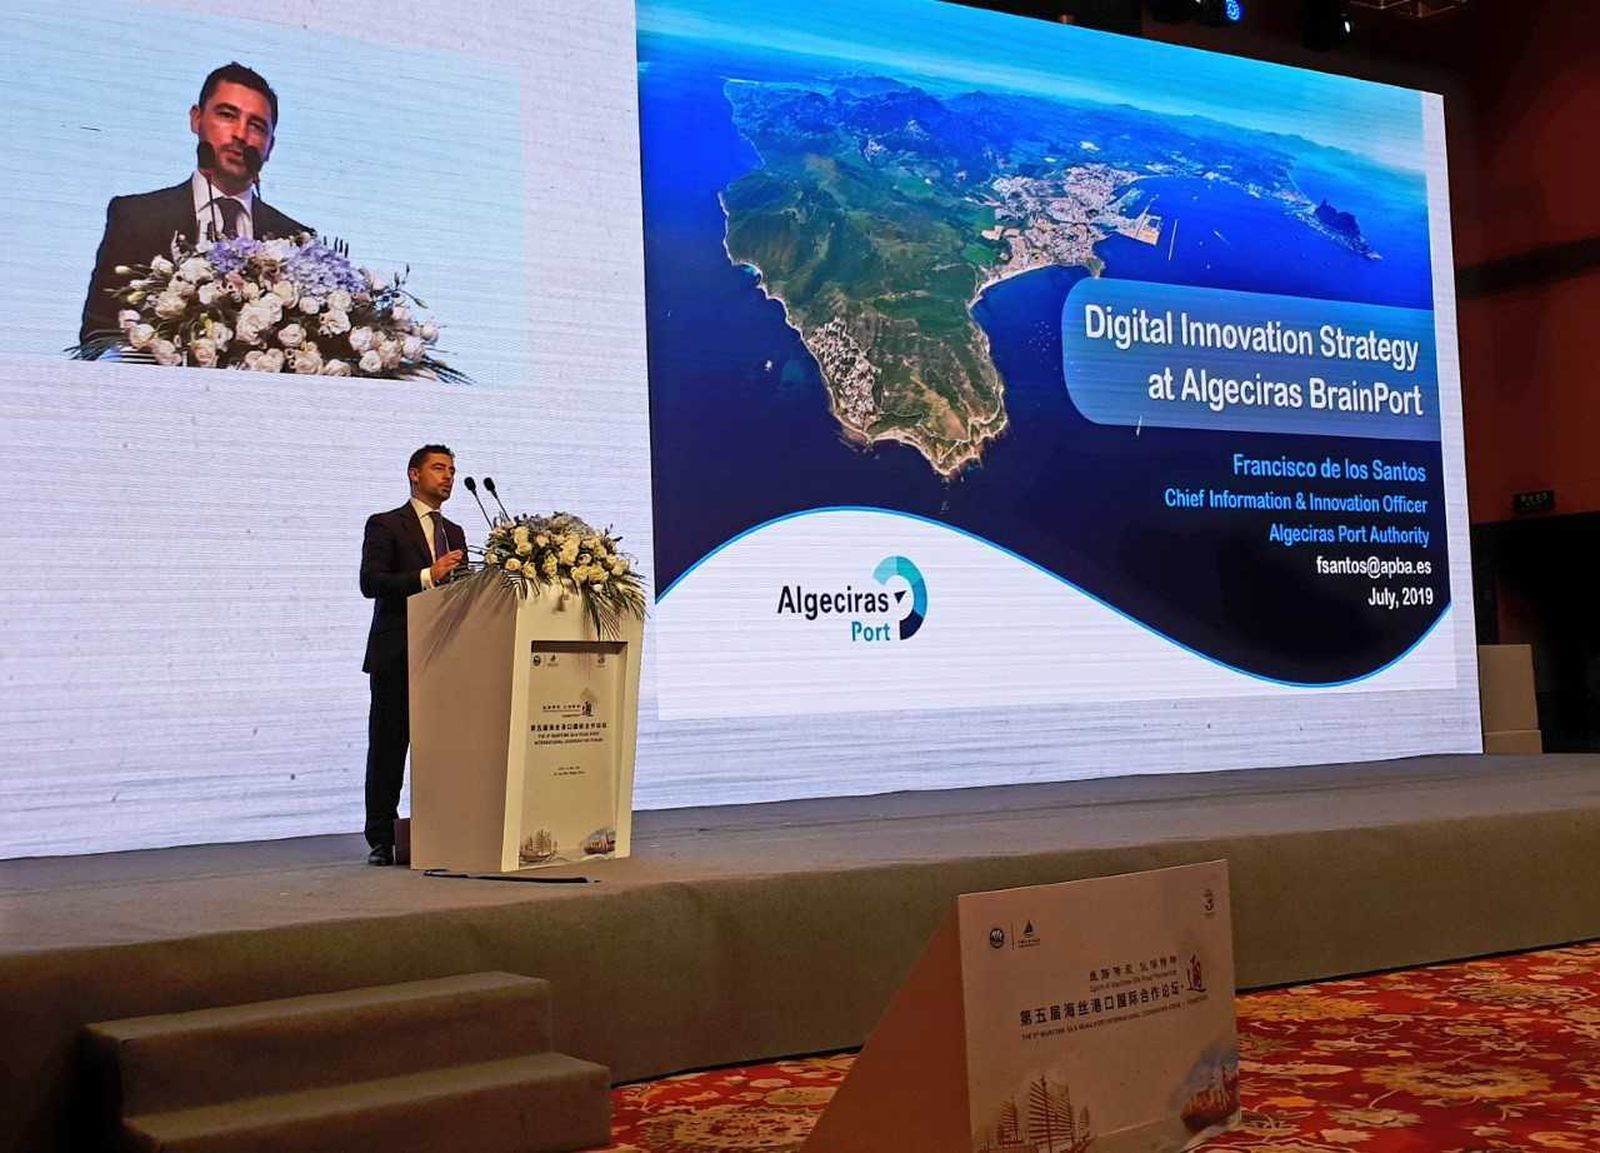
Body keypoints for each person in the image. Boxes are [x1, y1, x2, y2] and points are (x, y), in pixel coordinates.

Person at [78, 62, 311, 345]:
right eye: (227, 115)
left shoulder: (298, 241)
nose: (240, 134)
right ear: (196, 119)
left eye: (257, 126)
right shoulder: (136, 218)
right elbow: (97, 338)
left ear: (270, 146)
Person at [359, 445, 468, 865]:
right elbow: (371, 582)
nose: (448, 477)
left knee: (441, 749)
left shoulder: (454, 532)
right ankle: (382, 840)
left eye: (452, 471)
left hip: (443, 657)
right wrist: (429, 575)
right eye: (439, 468)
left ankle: (442, 831)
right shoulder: (385, 524)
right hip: (396, 652)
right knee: (388, 749)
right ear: (414, 475)